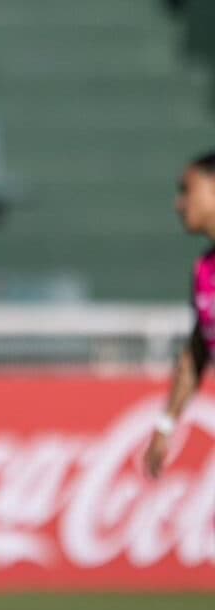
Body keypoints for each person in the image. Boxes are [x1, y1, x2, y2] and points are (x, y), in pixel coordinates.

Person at [144, 151, 215, 479]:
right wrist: (166, 425)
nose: (179, 203)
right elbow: (196, 351)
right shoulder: (204, 270)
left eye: (188, 190)